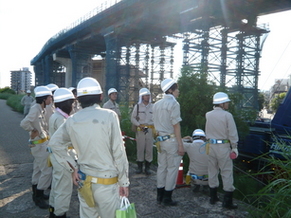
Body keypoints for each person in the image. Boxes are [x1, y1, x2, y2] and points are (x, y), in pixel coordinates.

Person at [48, 77, 129, 218]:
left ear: (78, 99)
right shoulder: (109, 116)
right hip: (107, 183)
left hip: (84, 182)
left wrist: (73, 168)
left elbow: (54, 144)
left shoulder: (72, 120)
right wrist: (124, 181)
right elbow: (119, 151)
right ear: (101, 96)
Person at [153, 78, 185, 206]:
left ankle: (159, 196)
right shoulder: (174, 104)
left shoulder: (156, 104)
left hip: (160, 141)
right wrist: (180, 144)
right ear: (170, 90)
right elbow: (176, 125)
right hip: (171, 140)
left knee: (161, 167)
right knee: (172, 169)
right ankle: (167, 197)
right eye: (176, 89)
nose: (178, 91)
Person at [20, 86, 53, 209]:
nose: (51, 99)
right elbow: (23, 123)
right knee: (47, 171)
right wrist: (32, 130)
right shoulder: (35, 109)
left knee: (38, 169)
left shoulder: (41, 108)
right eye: (50, 97)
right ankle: (39, 195)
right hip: (39, 145)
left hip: (40, 144)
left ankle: (36, 194)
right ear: (44, 99)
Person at [205, 92, 239, 209]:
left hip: (210, 146)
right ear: (222, 103)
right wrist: (234, 147)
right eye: (227, 102)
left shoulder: (208, 114)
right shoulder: (227, 115)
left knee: (212, 171)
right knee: (226, 172)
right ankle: (227, 202)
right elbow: (232, 133)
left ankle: (213, 197)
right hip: (223, 147)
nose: (228, 104)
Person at [48, 88, 76, 218]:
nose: (73, 106)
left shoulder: (55, 115)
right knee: (63, 190)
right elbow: (65, 142)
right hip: (62, 158)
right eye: (71, 103)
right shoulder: (61, 120)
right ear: (66, 103)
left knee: (56, 186)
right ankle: (60, 214)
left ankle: (53, 211)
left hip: (56, 156)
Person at [131, 88, 154, 175]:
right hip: (140, 129)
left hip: (150, 129)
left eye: (148, 95)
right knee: (140, 148)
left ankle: (147, 167)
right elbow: (132, 118)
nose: (147, 97)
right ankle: (139, 167)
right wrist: (138, 125)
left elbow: (156, 118)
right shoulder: (137, 106)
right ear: (142, 96)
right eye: (145, 95)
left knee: (149, 149)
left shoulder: (153, 106)